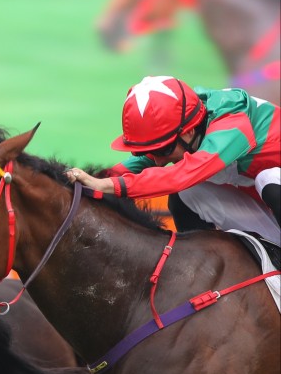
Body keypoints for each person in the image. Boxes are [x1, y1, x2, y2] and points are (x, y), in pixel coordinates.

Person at [66, 75, 280, 246]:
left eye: (163, 150)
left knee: (269, 180)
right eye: (149, 152)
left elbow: (182, 175)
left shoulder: (233, 126)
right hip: (270, 210)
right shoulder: (189, 120)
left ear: (187, 133)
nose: (159, 161)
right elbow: (144, 164)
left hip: (271, 190)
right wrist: (94, 179)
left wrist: (110, 185)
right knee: (187, 195)